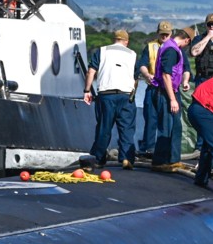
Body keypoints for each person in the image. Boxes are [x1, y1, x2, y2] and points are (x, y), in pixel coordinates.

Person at [83, 29, 138, 169]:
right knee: (126, 128)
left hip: (106, 95)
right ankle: (127, 158)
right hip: (126, 96)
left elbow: (91, 71)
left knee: (104, 128)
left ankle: (98, 158)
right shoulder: (132, 54)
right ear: (126, 41)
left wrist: (87, 90)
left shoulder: (102, 51)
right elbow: (135, 78)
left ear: (114, 39)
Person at [151, 27, 193, 172]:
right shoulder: (171, 50)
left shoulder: (172, 47)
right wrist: (172, 99)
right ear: (187, 40)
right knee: (166, 128)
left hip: (172, 91)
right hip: (166, 93)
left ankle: (173, 160)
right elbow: (166, 75)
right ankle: (159, 161)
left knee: (176, 127)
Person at [135, 21, 173, 158]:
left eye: (166, 34)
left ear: (171, 34)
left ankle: (164, 150)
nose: (164, 37)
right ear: (158, 33)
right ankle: (148, 148)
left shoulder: (174, 47)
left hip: (167, 89)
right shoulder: (151, 47)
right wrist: (147, 75)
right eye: (162, 34)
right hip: (152, 87)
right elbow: (142, 64)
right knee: (150, 119)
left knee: (165, 122)